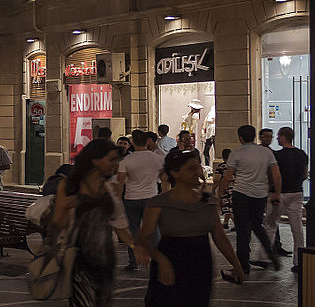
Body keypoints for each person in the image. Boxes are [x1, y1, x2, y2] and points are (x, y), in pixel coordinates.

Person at [137, 149, 245, 305]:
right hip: (170, 260)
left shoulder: (208, 200)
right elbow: (144, 238)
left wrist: (236, 264)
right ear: (175, 173)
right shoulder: (159, 202)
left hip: (200, 262)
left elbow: (219, 235)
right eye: (191, 168)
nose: (198, 171)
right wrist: (161, 260)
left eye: (198, 166)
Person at [50, 138, 143, 306]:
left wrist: (135, 247)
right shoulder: (69, 186)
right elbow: (58, 223)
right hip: (79, 259)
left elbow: (120, 225)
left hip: (105, 259)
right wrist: (66, 207)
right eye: (111, 160)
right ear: (95, 160)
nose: (115, 165)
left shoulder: (109, 188)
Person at [218, 124, 281, 277]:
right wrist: (277, 193)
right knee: (257, 226)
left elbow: (228, 175)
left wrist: (221, 191)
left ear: (240, 138)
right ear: (254, 136)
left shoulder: (236, 153)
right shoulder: (266, 152)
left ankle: (243, 265)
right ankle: (271, 253)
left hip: (241, 194)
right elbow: (276, 174)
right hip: (260, 195)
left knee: (242, 231)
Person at [117, 130, 164, 271]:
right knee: (154, 230)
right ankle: (157, 259)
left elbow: (120, 182)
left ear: (132, 142)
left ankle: (133, 261)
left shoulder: (126, 160)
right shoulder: (158, 159)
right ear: (147, 141)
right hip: (151, 197)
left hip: (132, 198)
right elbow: (165, 179)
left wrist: (118, 200)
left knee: (133, 230)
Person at [271, 127, 307, 272]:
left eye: (278, 136)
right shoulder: (302, 154)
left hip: (282, 193)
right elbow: (305, 174)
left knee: (271, 224)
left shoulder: (277, 156)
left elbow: (275, 175)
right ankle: (299, 261)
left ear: (283, 137)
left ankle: (265, 257)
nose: (277, 139)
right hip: (297, 192)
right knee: (297, 228)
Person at [256, 128, 285, 256]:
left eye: (270, 136)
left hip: (269, 190)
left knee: (272, 219)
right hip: (259, 189)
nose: (269, 139)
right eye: (266, 136)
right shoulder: (257, 152)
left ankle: (275, 245)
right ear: (261, 137)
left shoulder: (273, 153)